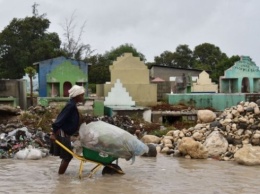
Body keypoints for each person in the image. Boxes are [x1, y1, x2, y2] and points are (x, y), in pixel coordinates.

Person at [50, 85, 85, 174]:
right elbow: (59, 119)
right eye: (82, 95)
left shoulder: (72, 105)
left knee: (66, 156)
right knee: (67, 157)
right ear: (76, 96)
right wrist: (53, 133)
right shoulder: (70, 106)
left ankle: (60, 177)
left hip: (66, 133)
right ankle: (60, 180)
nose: (83, 97)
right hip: (62, 133)